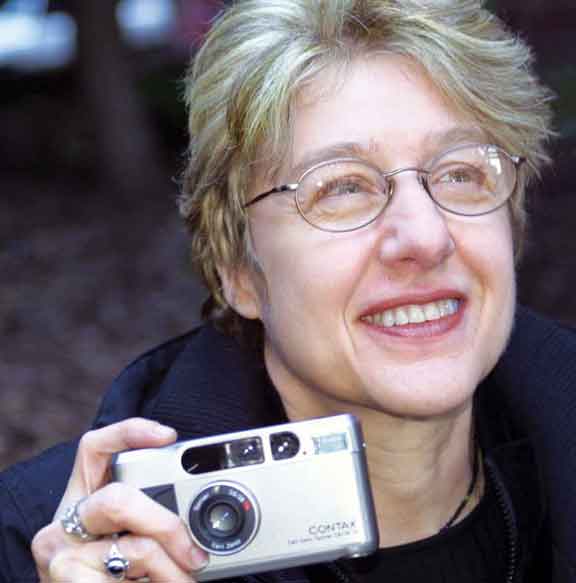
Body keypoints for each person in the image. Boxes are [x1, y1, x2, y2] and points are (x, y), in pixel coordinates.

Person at [1, 0, 574, 581]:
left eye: (461, 174)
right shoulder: (32, 547)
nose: (426, 237)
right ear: (239, 269)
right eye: (342, 188)